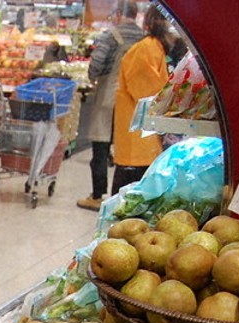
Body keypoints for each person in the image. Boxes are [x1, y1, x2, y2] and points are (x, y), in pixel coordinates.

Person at [76, 0, 143, 211]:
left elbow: (96, 65)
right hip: (134, 100)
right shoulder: (144, 38)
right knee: (128, 148)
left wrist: (93, 77)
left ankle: (98, 195)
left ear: (117, 14)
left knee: (101, 146)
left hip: (109, 98)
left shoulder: (110, 36)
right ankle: (124, 196)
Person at [110, 4, 171, 195]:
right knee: (127, 205)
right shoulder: (146, 50)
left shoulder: (153, 48)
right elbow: (149, 96)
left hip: (142, 141)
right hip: (137, 143)